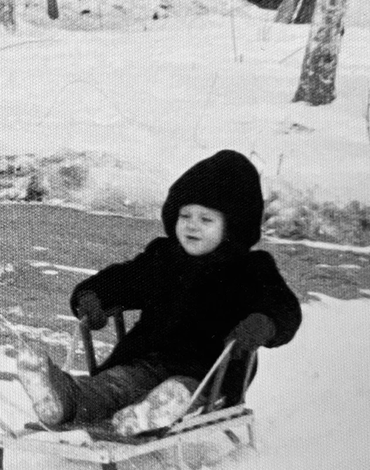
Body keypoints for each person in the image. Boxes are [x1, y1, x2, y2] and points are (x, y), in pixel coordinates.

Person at [17, 149, 301, 436]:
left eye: (206, 219)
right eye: (185, 215)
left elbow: (284, 308)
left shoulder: (251, 269)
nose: (192, 224)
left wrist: (263, 324)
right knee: (114, 384)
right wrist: (92, 297)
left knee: (177, 392)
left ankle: (152, 413)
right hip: (146, 363)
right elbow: (121, 280)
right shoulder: (163, 259)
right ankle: (67, 399)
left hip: (208, 376)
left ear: (232, 226)